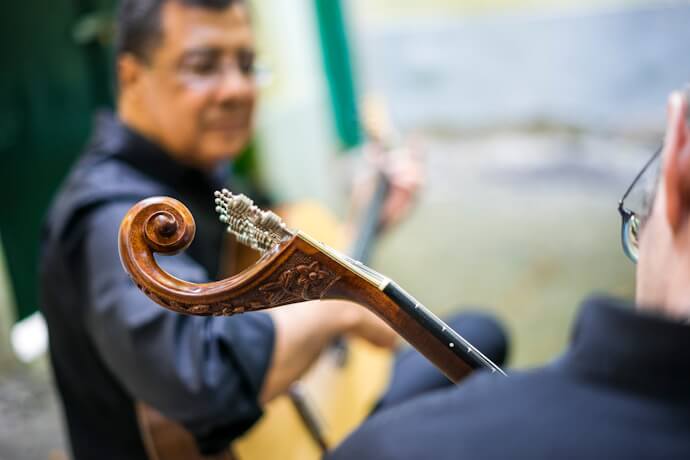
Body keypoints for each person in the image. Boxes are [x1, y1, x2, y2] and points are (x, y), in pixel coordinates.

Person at [39, 0, 506, 458]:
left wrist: (367, 222)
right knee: (476, 347)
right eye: (202, 67)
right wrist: (338, 309)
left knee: (476, 336)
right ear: (131, 77)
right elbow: (202, 380)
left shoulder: (196, 172)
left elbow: (264, 289)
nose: (236, 89)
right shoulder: (109, 217)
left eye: (246, 64)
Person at [328, 91, 690, 460]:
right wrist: (364, 224)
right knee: (480, 328)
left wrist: (328, 317)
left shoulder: (385, 447)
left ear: (678, 150)